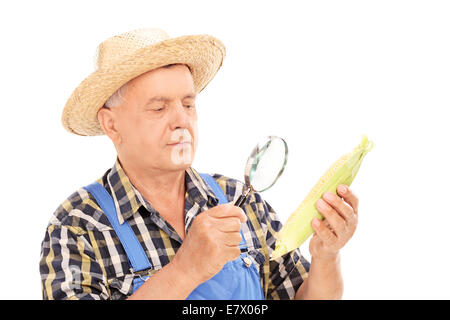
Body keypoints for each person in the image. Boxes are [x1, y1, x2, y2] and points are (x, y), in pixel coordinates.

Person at [39, 28, 359, 300]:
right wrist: (186, 270)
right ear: (111, 125)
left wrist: (325, 256)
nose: (182, 121)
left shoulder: (239, 198)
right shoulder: (78, 225)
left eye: (188, 103)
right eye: (159, 108)